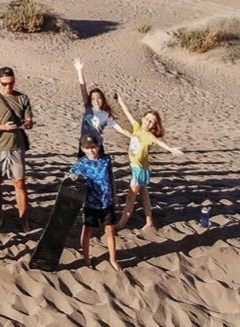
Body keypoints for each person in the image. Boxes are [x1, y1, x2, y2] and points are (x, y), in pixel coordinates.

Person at [110, 95, 184, 230]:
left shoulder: (149, 136)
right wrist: (120, 101)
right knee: (144, 196)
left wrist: (170, 149)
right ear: (143, 118)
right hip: (138, 168)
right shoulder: (137, 127)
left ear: (154, 125)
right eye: (148, 119)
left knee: (130, 199)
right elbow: (128, 114)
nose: (149, 122)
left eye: (152, 122)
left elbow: (159, 141)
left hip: (140, 170)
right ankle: (149, 221)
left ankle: (121, 224)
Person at [0, 66, 35, 230]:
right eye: (4, 84)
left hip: (16, 146)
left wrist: (27, 123)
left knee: (19, 183)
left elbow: (30, 121)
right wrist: (4, 127)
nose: (7, 87)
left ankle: (23, 218)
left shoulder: (22, 98)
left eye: (10, 83)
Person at [68, 134, 121, 270]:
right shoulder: (81, 163)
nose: (91, 150)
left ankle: (113, 259)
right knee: (87, 231)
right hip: (90, 203)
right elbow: (70, 175)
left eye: (94, 147)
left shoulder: (106, 160)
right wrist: (73, 176)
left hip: (106, 202)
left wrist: (115, 195)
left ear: (99, 147)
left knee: (110, 230)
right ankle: (86, 258)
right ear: (83, 149)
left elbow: (111, 177)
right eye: (87, 148)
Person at [73, 58, 117, 154]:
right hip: (84, 144)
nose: (96, 101)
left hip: (96, 146)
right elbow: (83, 88)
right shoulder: (88, 108)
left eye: (98, 98)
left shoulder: (105, 114)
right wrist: (79, 71)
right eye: (93, 98)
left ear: (103, 99)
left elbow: (118, 128)